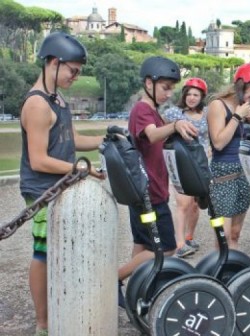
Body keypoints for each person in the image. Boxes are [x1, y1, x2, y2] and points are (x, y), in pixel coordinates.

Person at [19, 31, 106, 336]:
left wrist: (102, 142)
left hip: (60, 187)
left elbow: (70, 140)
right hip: (42, 191)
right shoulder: (38, 105)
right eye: (72, 70)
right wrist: (83, 170)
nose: (75, 76)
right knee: (43, 253)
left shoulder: (58, 99)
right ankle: (43, 324)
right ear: (54, 63)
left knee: (61, 251)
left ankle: (61, 308)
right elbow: (39, 159)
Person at [117, 56, 197, 305]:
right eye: (165, 87)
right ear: (148, 84)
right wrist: (175, 125)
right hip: (149, 194)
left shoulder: (152, 111)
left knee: (142, 244)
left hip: (147, 192)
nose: (169, 93)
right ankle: (113, 279)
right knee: (167, 248)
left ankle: (134, 291)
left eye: (171, 88)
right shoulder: (143, 110)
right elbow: (151, 136)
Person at [207, 63, 250, 249]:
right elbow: (218, 143)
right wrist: (236, 117)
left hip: (244, 173)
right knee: (223, 235)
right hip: (224, 173)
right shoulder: (218, 105)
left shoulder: (244, 107)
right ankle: (218, 274)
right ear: (241, 84)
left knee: (235, 233)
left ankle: (232, 274)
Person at [163, 77, 209, 258]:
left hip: (202, 163)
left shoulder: (206, 113)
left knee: (196, 205)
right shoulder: (174, 113)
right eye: (189, 94)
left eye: (196, 94)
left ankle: (189, 236)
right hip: (182, 162)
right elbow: (162, 129)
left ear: (202, 96)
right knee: (183, 204)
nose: (191, 98)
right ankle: (179, 243)